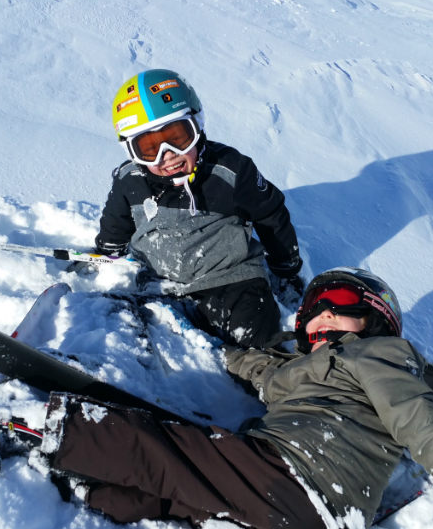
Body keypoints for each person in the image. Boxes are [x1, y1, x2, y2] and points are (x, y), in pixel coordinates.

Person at [0, 267, 433, 529]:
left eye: (340, 307)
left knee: (170, 450)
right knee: (168, 497)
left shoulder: (381, 356)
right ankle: (87, 490)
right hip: (302, 524)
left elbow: (414, 412)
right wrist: (218, 344)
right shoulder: (301, 369)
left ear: (376, 321)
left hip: (300, 474)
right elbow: (257, 368)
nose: (322, 316)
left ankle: (39, 425)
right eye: (313, 312)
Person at [93, 68, 303, 348]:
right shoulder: (129, 179)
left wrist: (286, 266)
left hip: (231, 281)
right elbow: (116, 222)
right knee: (119, 325)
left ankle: (262, 368)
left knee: (257, 332)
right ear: (132, 152)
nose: (167, 155)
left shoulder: (232, 171)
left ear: (198, 124)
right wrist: (107, 251)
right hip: (159, 284)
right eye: (149, 148)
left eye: (178, 137)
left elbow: (270, 215)